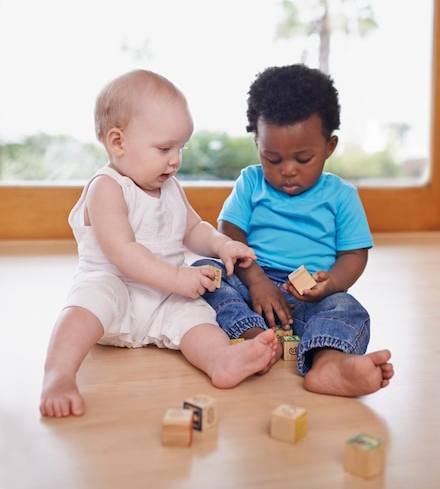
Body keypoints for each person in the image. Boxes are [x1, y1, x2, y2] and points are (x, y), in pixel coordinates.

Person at [40, 69, 278, 418]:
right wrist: (177, 278)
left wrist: (221, 245)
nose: (175, 160)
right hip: (115, 288)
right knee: (83, 308)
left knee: (197, 317)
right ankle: (58, 375)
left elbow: (193, 227)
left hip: (164, 296)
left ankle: (221, 359)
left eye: (181, 148)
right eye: (164, 148)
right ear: (117, 142)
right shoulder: (106, 188)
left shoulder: (171, 187)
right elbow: (122, 251)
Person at [193, 63, 394, 397]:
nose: (287, 170)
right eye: (273, 158)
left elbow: (354, 254)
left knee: (347, 308)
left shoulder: (341, 196)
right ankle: (253, 338)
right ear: (257, 143)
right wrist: (256, 281)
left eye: (303, 159)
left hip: (309, 297)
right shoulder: (250, 182)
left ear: (329, 147)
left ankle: (328, 362)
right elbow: (229, 231)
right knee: (205, 273)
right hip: (249, 282)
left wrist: (332, 284)